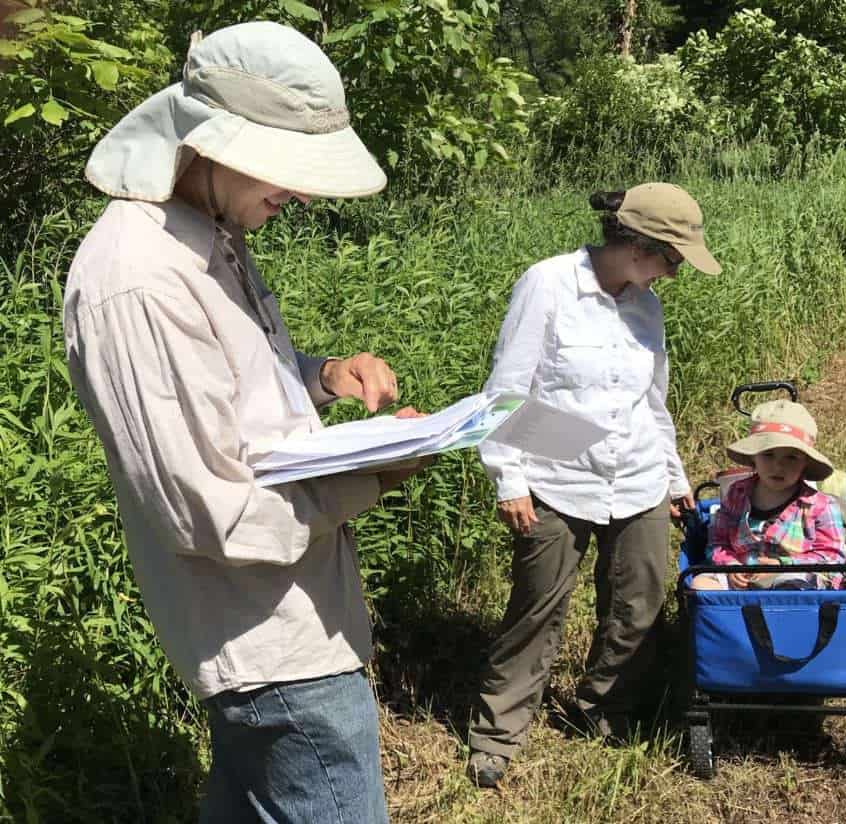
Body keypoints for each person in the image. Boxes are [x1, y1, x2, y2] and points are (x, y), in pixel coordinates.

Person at [63, 22, 428, 823]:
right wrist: (373, 477)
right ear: (210, 141)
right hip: (269, 644)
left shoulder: (208, 232)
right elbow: (204, 508)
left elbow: (231, 391)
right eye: (284, 168)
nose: (296, 193)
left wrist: (323, 377)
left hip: (296, 617)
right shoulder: (138, 277)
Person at [466, 183, 722, 787]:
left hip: (637, 475)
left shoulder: (647, 307)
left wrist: (673, 473)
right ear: (637, 245)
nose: (674, 274)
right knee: (537, 606)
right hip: (556, 476)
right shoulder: (548, 285)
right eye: (672, 260)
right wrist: (510, 478)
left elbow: (651, 403)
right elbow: (505, 391)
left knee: (640, 603)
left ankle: (604, 711)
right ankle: (498, 733)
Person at [690, 400, 846, 592]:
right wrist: (731, 567)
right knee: (700, 584)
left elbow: (832, 556)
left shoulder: (819, 505)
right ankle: (732, 617)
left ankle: (777, 617)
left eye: (791, 458)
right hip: (741, 575)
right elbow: (718, 542)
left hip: (793, 576)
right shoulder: (737, 494)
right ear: (753, 457)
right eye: (768, 455)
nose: (778, 466)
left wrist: (782, 565)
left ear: (805, 464)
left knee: (792, 588)